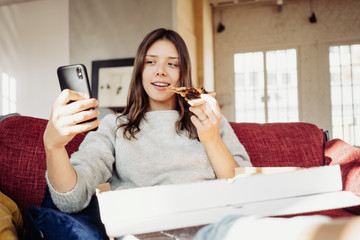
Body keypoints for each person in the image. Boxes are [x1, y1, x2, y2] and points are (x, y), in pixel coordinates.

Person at [41, 28, 251, 238]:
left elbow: (246, 191)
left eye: (172, 63)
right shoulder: (114, 126)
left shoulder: (210, 119)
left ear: (183, 73)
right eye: (151, 62)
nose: (160, 70)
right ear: (140, 70)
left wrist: (211, 139)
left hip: (209, 231)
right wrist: (54, 146)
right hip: (141, 233)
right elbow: (71, 200)